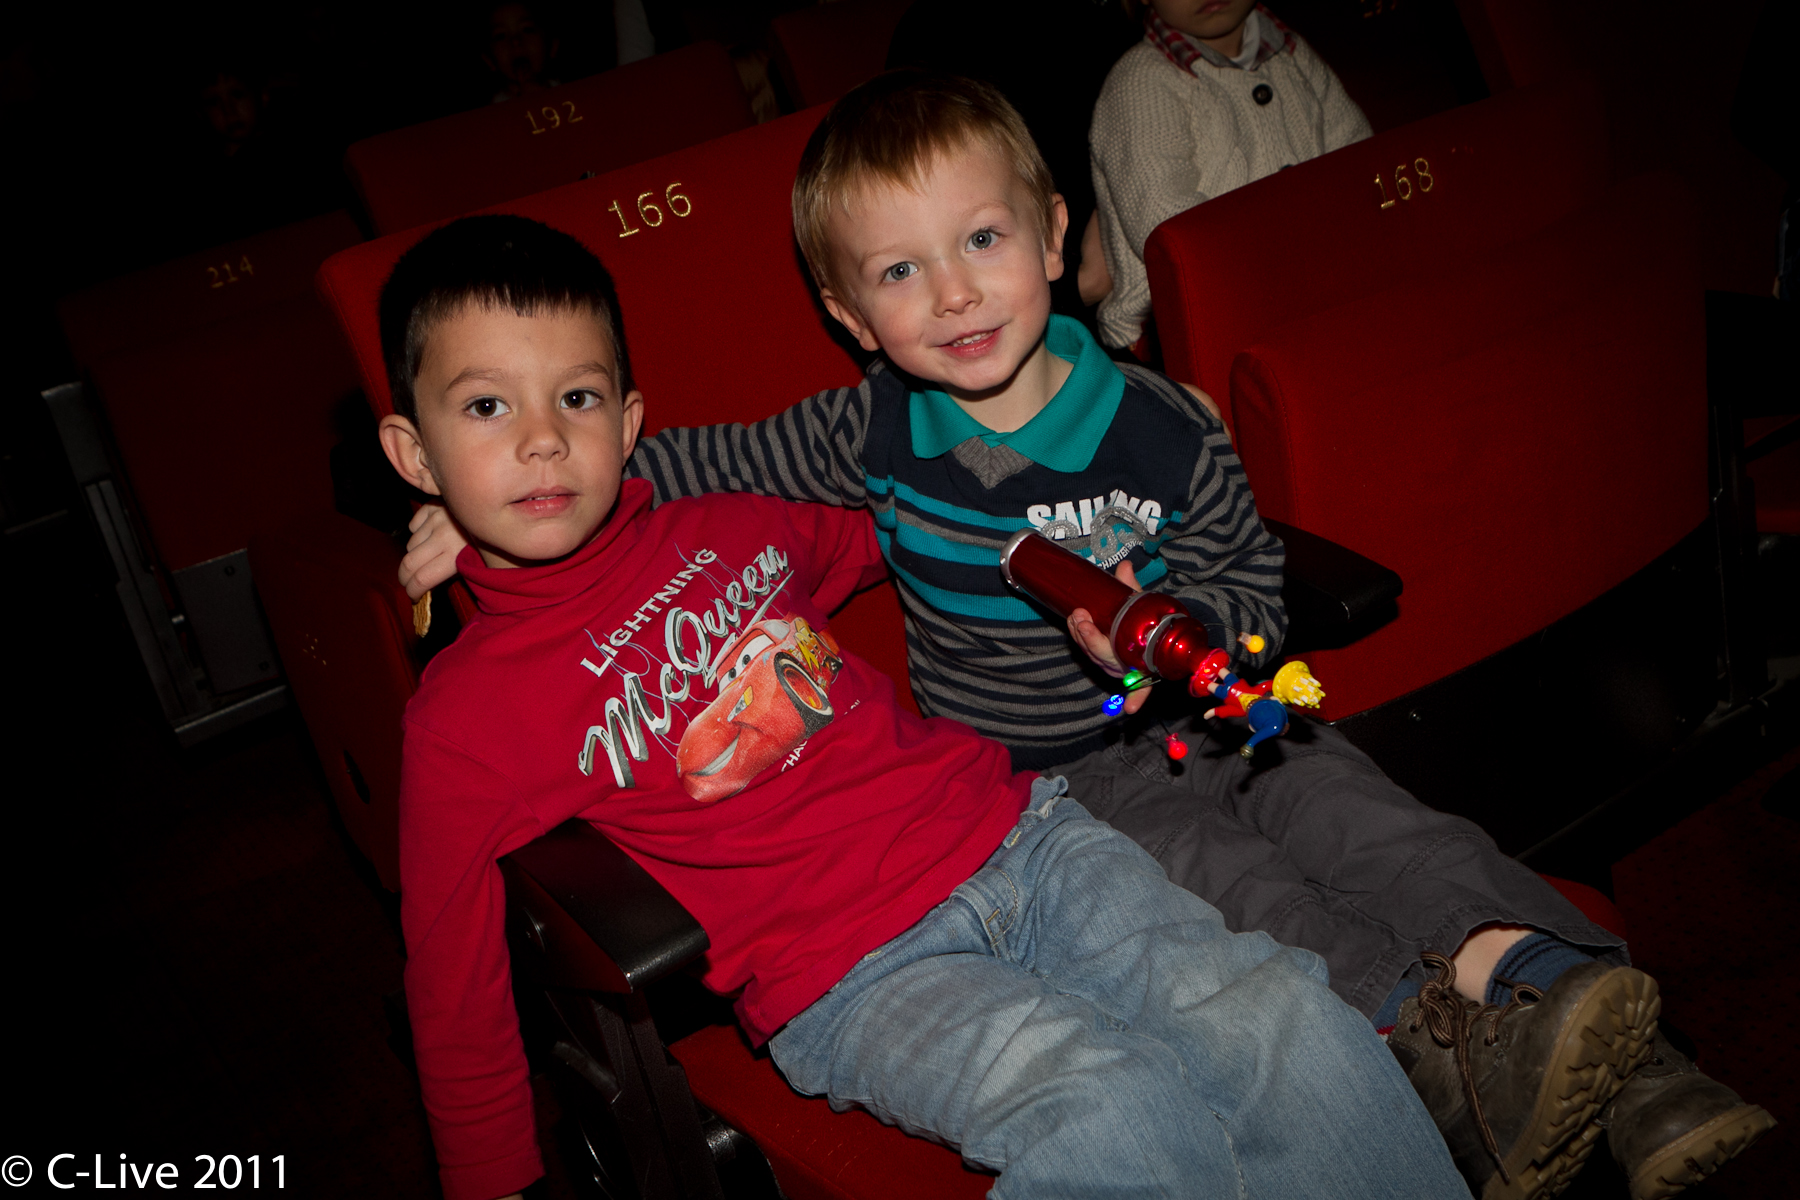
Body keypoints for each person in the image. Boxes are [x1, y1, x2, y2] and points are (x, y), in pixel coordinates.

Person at [399, 73, 1774, 1200]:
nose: (536, 439)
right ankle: (1461, 1047)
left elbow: (1209, 566)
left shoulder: (1138, 426)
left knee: (1364, 834)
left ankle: (1597, 1030)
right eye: (484, 415)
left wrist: (1200, 628)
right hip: (1034, 800)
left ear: (1055, 239)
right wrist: (477, 530)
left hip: (1156, 741)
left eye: (982, 244)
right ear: (849, 315)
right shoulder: (852, 443)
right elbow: (708, 468)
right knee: (1240, 955)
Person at [374, 213, 1466, 1200]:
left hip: (1025, 843)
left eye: (577, 397)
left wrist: (1097, 548)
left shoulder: (730, 525)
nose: (540, 440)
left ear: (631, 419)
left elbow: (910, 530)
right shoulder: (465, 715)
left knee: (1288, 1020)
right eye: (485, 406)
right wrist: (494, 1186)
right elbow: (456, 979)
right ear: (414, 453)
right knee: (1117, 1111)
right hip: (850, 969)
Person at [1087, 0, 1371, 349]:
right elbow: (1165, 219)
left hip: (1317, 285)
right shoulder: (1139, 83)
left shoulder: (1295, 56)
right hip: (1183, 322)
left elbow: (1360, 160)